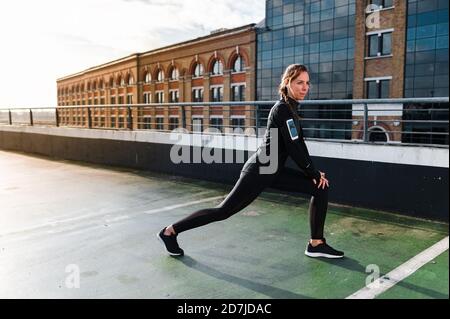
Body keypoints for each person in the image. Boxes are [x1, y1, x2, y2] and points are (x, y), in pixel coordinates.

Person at [157, 64, 344, 259]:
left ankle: (316, 243)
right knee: (223, 211)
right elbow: (294, 147)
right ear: (287, 83)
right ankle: (169, 232)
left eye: (307, 83)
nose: (305, 87)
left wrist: (313, 173)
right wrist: (312, 172)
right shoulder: (282, 110)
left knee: (320, 187)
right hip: (260, 170)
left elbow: (299, 143)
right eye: (299, 83)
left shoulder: (291, 109)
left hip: (273, 170)